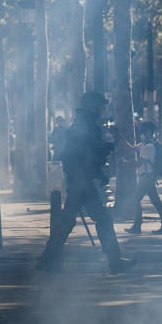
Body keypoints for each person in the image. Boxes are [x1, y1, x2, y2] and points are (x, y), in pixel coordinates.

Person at [36, 92, 135, 274]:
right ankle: (115, 261)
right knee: (99, 220)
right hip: (81, 181)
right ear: (92, 106)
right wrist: (105, 149)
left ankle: (47, 260)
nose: (102, 109)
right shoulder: (88, 125)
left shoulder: (82, 123)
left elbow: (80, 155)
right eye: (100, 106)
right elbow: (86, 156)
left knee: (72, 220)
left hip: (80, 180)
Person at [125, 121, 162, 235]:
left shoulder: (148, 146)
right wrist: (120, 137)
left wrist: (124, 162)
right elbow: (133, 149)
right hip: (149, 177)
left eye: (143, 132)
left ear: (149, 132)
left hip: (147, 178)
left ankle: (137, 226)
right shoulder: (146, 143)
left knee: (136, 200)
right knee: (156, 202)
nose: (141, 134)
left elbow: (138, 163)